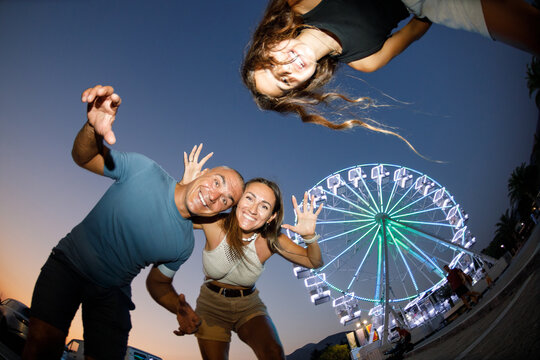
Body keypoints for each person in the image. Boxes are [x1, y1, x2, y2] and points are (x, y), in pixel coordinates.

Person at [22, 85, 245, 360]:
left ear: (221, 212)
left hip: (112, 293)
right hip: (69, 265)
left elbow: (158, 284)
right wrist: (92, 129)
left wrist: (178, 306)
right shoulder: (144, 169)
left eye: (225, 200)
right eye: (217, 182)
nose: (214, 196)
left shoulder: (184, 244)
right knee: (42, 345)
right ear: (205, 173)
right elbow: (86, 157)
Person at [242, 0, 540, 141]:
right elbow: (415, 28)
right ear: (302, 86)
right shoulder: (367, 60)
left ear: (268, 43)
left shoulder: (301, 3)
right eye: (285, 82)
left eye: (270, 64)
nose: (286, 70)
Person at [162, 146, 323, 360]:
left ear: (271, 218)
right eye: (249, 198)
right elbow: (173, 212)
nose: (253, 209)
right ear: (238, 200)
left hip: (248, 305)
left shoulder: (272, 241)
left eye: (264, 206)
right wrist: (185, 186)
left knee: (273, 353)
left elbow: (314, 261)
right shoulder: (214, 223)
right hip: (211, 304)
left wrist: (310, 237)